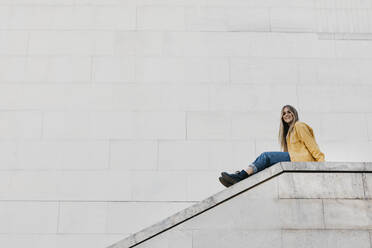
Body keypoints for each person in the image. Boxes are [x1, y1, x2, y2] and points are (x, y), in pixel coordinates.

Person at [219, 105, 325, 187]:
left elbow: (312, 145)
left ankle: (241, 176)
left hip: (301, 160)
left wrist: (321, 164)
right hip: (294, 159)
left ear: (294, 114)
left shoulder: (299, 125)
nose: (286, 114)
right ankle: (242, 178)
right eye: (284, 113)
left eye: (289, 112)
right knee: (264, 163)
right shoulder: (288, 133)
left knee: (266, 156)